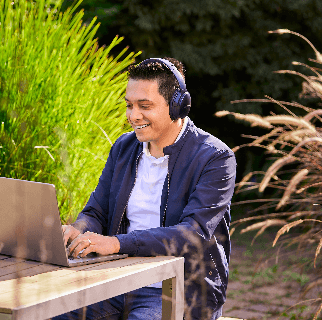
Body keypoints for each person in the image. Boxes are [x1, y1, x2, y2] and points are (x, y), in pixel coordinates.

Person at [56, 58, 237, 320]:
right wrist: (79, 229)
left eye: (145, 106)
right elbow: (97, 210)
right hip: (116, 281)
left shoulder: (215, 158)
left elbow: (192, 236)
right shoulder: (124, 148)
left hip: (178, 290)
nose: (133, 115)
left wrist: (116, 244)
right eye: (129, 105)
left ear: (177, 106)